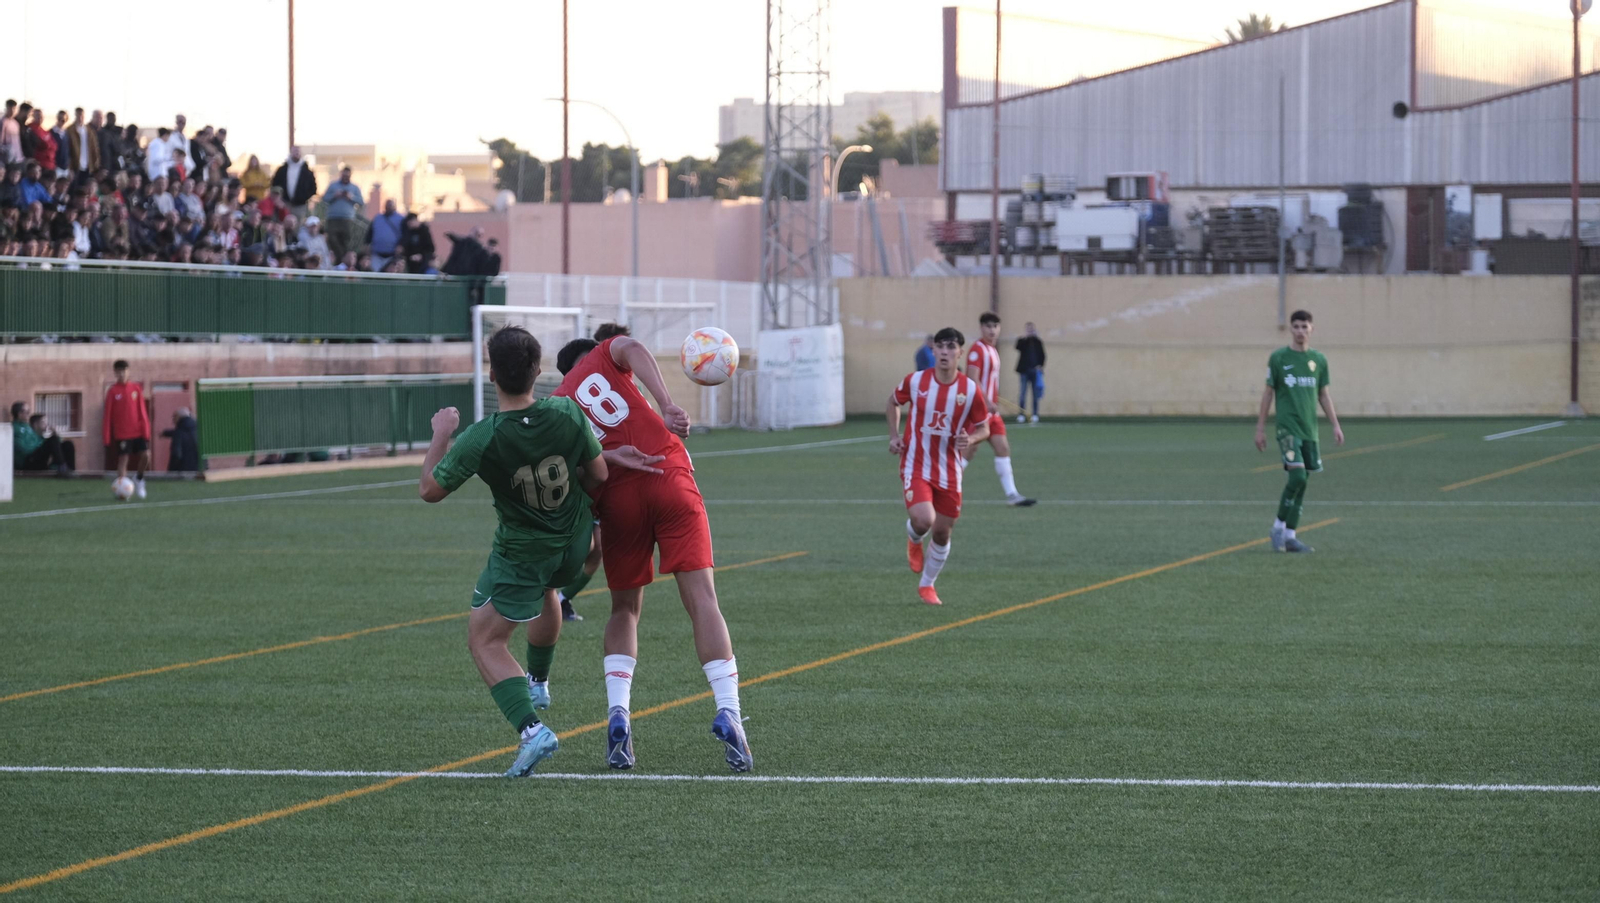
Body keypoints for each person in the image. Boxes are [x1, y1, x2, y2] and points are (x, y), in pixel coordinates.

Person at [552, 328, 754, 773]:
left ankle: (619, 713)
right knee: (703, 600)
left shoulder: (559, 409)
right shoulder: (605, 355)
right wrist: (666, 403)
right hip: (668, 475)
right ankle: (729, 711)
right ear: (590, 358)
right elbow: (633, 348)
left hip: (618, 501)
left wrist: (608, 458)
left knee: (624, 610)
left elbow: (581, 480)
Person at [418, 326, 610, 777]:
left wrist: (441, 434)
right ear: (538, 371)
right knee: (549, 589)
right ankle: (538, 683)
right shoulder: (566, 411)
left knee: (485, 639)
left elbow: (430, 490)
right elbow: (598, 474)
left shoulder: (483, 436)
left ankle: (531, 729)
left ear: (491, 373)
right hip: (573, 541)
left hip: (524, 550)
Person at [887, 326, 992, 606]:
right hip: (915, 463)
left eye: (951, 347)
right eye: (940, 347)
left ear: (960, 352)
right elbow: (893, 402)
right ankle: (913, 536)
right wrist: (895, 436)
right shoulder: (916, 381)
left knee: (943, 531)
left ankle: (927, 585)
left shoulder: (970, 390)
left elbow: (984, 428)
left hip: (949, 469)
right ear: (933, 350)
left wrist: (970, 437)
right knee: (924, 520)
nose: (944, 352)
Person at [1254, 309, 1344, 553]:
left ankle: (1291, 536)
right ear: (1291, 330)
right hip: (1287, 429)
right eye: (1296, 327)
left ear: (1311, 329)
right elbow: (1268, 393)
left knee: (1303, 484)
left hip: (1309, 431)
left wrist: (1335, 425)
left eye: (1305, 327)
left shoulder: (1319, 361)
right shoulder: (1279, 358)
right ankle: (1277, 526)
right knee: (1297, 477)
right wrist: (1260, 428)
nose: (1300, 331)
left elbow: (1323, 395)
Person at [964, 312, 1035, 507]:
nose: (992, 330)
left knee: (1003, 448)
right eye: (988, 326)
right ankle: (945, 485)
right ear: (981, 328)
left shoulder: (993, 350)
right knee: (969, 450)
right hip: (979, 410)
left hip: (991, 413)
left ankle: (1012, 495)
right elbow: (972, 379)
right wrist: (986, 400)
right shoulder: (977, 350)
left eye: (995, 326)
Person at [103, 359, 152, 499]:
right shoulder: (112, 391)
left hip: (137, 431)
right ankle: (122, 491)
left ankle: (139, 479)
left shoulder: (136, 388)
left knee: (146, 456)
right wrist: (106, 437)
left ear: (128, 371)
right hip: (122, 433)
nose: (122, 374)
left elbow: (142, 411)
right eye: (118, 372)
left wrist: (145, 431)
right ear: (115, 373)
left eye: (124, 371)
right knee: (123, 460)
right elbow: (107, 416)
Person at [12, 401, 75, 475]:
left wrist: (55, 434)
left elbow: (52, 444)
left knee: (67, 444)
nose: (29, 414)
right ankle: (62, 468)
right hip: (27, 461)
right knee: (52, 440)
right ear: (20, 414)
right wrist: (40, 446)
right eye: (27, 412)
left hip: (36, 457)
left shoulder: (28, 427)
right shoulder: (14, 428)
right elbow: (23, 449)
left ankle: (71, 470)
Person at [322, 166, 364, 261]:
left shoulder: (354, 188)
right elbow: (324, 199)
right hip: (333, 218)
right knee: (332, 239)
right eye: (344, 175)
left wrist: (351, 197)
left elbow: (361, 202)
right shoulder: (333, 185)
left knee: (346, 241)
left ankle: (343, 262)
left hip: (347, 219)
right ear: (341, 174)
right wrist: (335, 195)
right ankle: (341, 259)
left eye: (347, 176)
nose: (345, 177)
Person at [270, 146, 317, 220]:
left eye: (298, 151)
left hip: (300, 205)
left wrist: (304, 198)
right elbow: (274, 185)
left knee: (297, 227)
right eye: (295, 151)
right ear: (291, 153)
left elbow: (313, 188)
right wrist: (278, 199)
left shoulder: (307, 172)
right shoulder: (282, 170)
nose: (296, 153)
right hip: (284, 204)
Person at [1014, 321, 1045, 423]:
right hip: (1024, 371)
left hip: (1035, 371)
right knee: (1023, 393)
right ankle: (1021, 414)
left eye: (1031, 329)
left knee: (1035, 394)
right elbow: (1017, 347)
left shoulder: (1038, 342)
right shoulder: (1022, 341)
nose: (1030, 331)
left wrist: (1040, 366)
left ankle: (1035, 414)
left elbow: (1043, 355)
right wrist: (1025, 337)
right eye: (1028, 329)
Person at [365, 199, 403, 271]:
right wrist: (367, 244)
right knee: (375, 275)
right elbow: (370, 232)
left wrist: (400, 245)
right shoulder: (378, 218)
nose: (389, 207)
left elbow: (405, 234)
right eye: (387, 205)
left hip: (392, 255)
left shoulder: (400, 219)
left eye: (391, 205)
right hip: (376, 254)